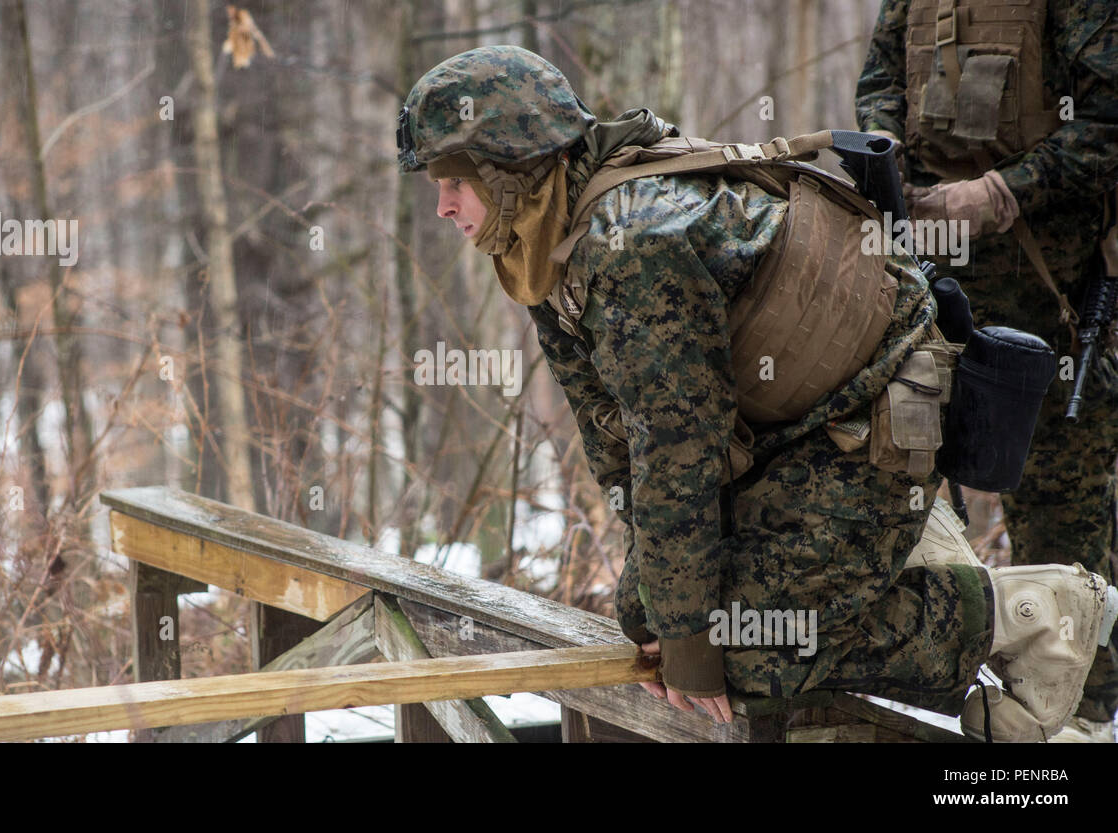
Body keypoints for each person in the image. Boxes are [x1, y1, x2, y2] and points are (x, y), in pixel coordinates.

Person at [399, 44, 1117, 740]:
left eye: (453, 183)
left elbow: (680, 451)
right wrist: (664, 616)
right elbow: (619, 440)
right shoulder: (543, 240)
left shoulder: (633, 245)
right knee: (647, 617)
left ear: (512, 171)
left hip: (872, 415)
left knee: (746, 650)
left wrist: (692, 641)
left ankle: (1031, 612)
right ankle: (877, 566)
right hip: (789, 428)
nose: (441, 207)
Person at [856, 0, 1118, 741]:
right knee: (907, 488)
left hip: (1049, 297)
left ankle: (1080, 719)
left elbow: (1106, 126)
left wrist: (1000, 193)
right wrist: (890, 160)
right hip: (926, 285)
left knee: (1063, 511)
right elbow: (879, 79)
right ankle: (956, 692)